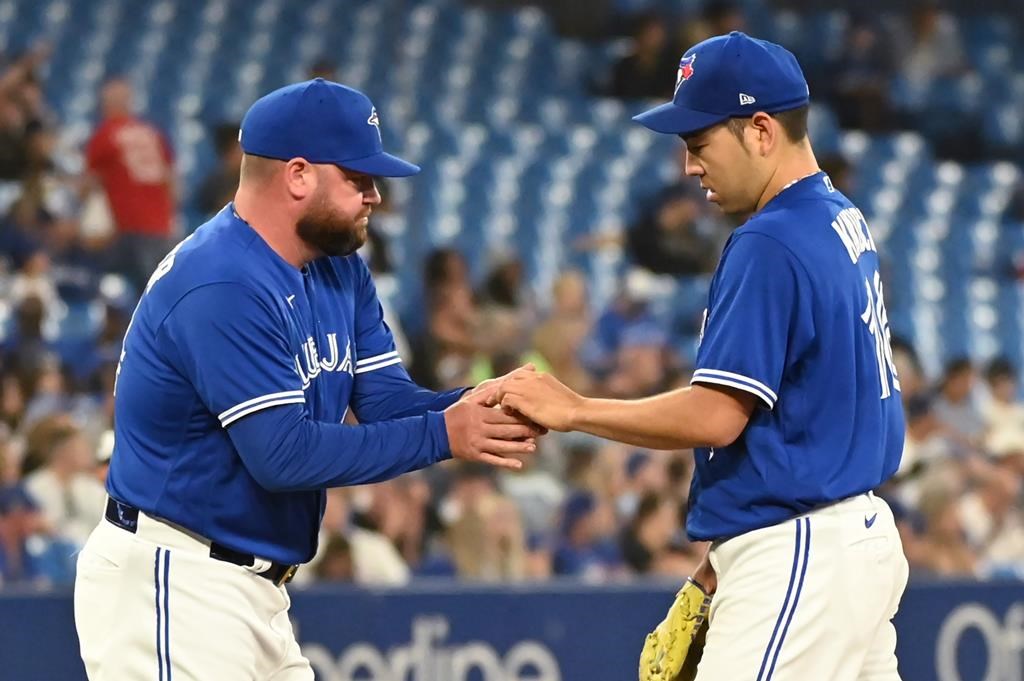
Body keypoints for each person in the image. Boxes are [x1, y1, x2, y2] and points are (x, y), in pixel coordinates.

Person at [73, 78, 541, 680]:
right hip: (173, 579)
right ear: (297, 175)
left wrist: (485, 403)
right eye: (358, 178)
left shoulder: (339, 266)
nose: (375, 195)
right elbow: (283, 455)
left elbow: (385, 402)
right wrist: (448, 433)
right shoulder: (223, 282)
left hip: (250, 588)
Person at [497, 32, 908, 680]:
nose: (689, 167)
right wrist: (723, 553)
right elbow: (809, 406)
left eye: (699, 143)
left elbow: (718, 415)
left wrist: (575, 409)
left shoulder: (771, 239)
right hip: (847, 534)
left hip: (800, 550)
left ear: (762, 131)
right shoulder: (838, 217)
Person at [83, 77, 176, 292]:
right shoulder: (152, 133)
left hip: (129, 226)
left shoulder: (105, 134)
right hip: (161, 225)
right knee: (161, 292)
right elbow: (172, 181)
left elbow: (87, 184)